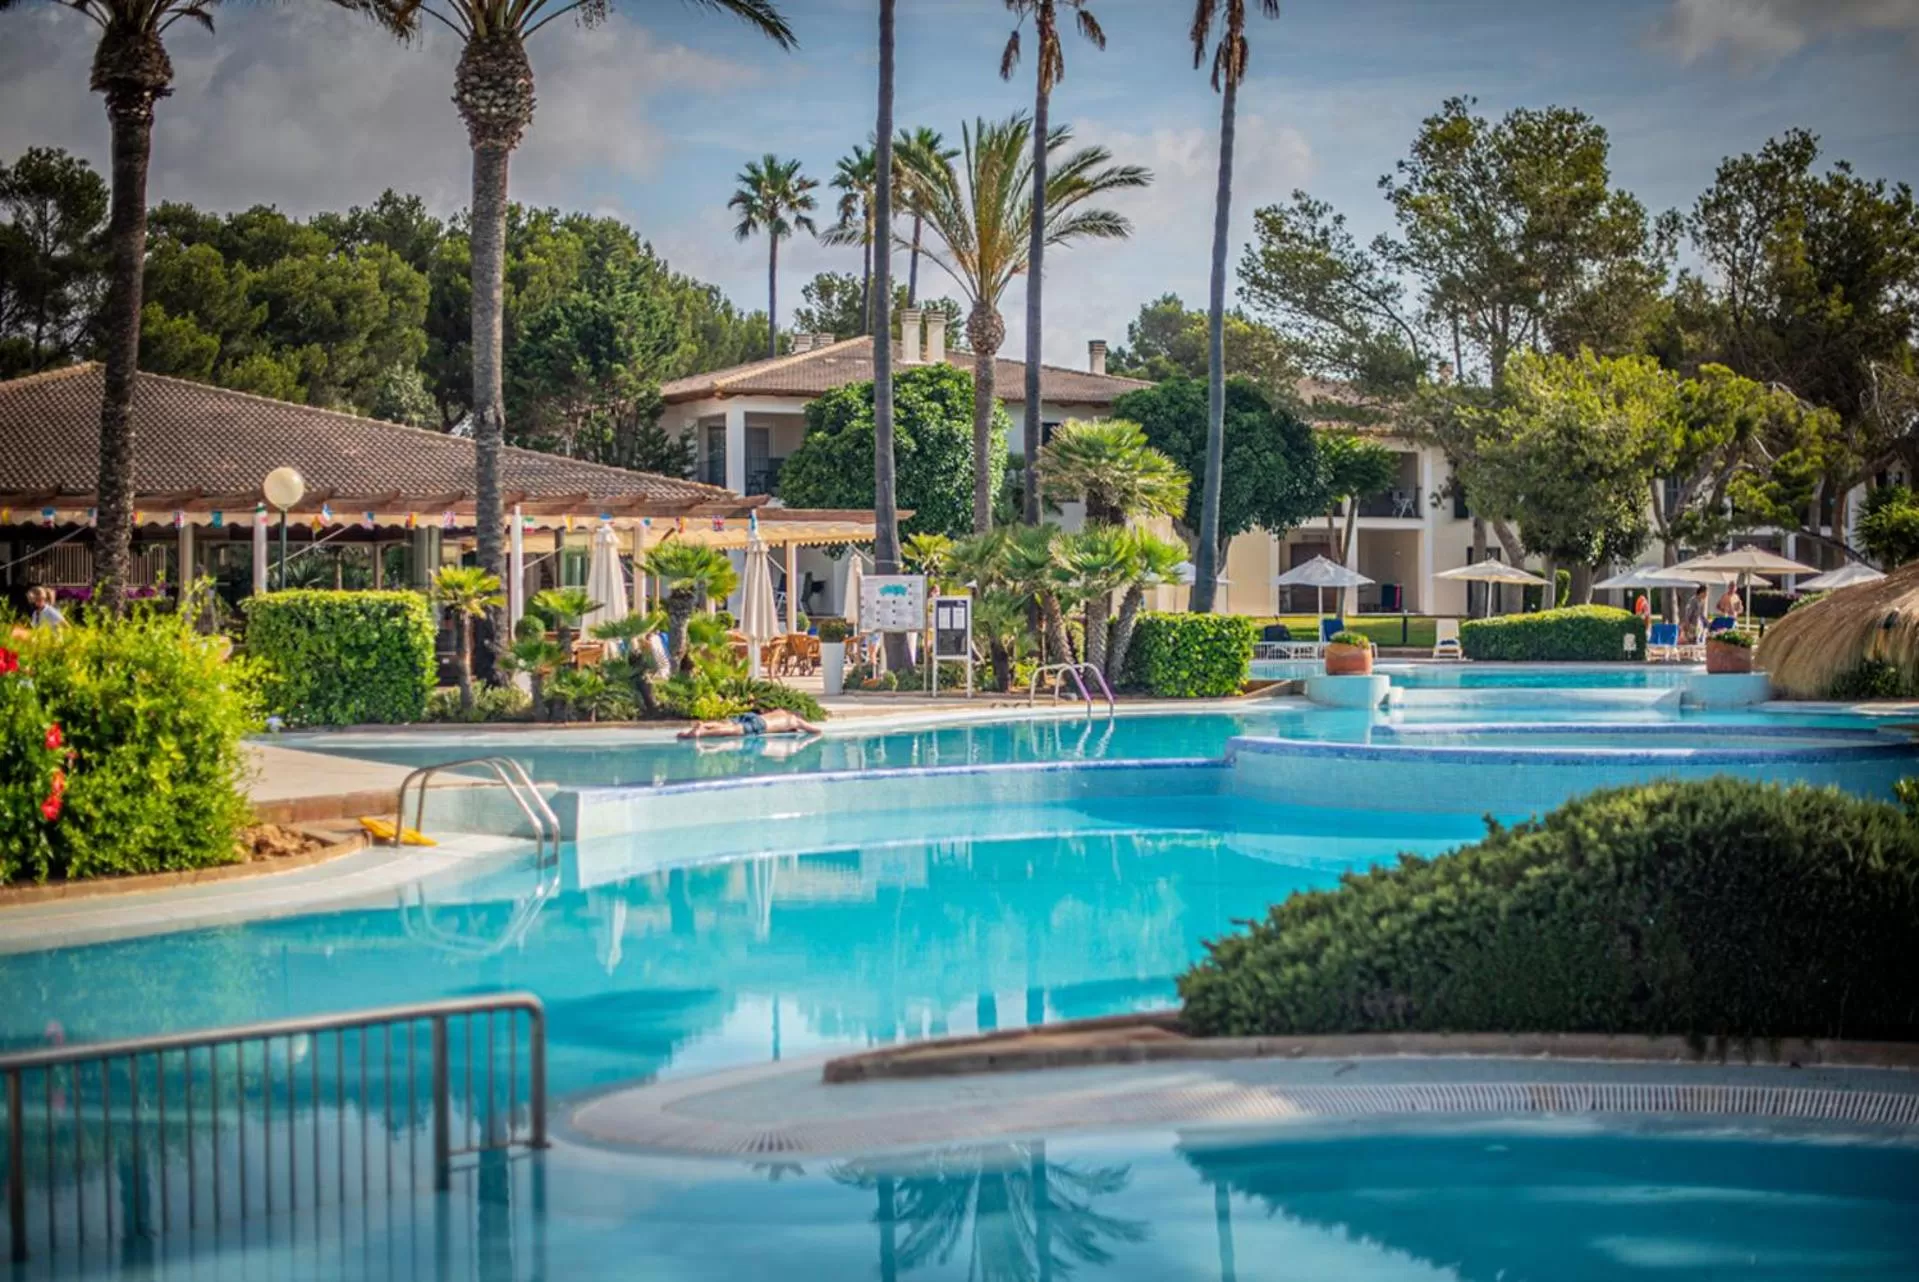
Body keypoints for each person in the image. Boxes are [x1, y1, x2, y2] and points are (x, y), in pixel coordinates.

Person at [678, 708, 822, 740]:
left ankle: (704, 725)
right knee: (733, 730)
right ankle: (702, 733)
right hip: (761, 723)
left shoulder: (781, 711)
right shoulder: (794, 720)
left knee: (726, 723)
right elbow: (815, 730)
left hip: (755, 716)